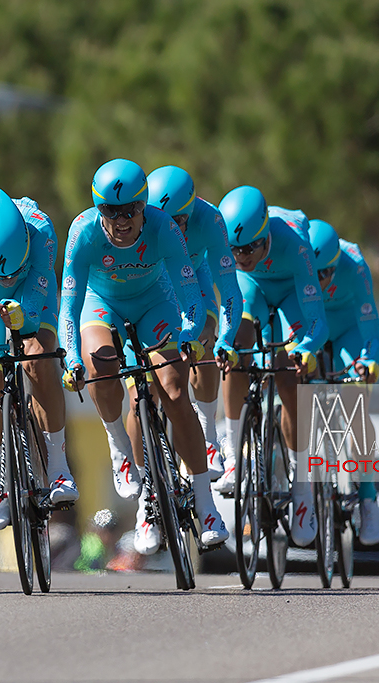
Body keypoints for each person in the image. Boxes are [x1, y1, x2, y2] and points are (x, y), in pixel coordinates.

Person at [58, 158, 228, 555]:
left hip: (155, 304)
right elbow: (69, 305)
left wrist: (188, 334)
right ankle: (122, 452)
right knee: (101, 365)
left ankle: (205, 505)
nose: (121, 221)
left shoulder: (164, 228)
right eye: (110, 212)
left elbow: (190, 294)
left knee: (172, 388)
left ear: (143, 205)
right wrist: (71, 360)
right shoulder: (82, 233)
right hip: (103, 306)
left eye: (130, 210)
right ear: (98, 209)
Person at [0, 188, 78, 532]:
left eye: (12, 270)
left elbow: (39, 283)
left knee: (37, 360)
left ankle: (58, 466)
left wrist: (27, 317)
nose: (6, 278)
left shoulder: (41, 229)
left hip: (31, 296)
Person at [215, 186, 329, 548]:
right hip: (252, 291)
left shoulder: (294, 242)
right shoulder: (234, 257)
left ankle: (302, 484)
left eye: (248, 248)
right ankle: (233, 453)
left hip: (292, 291)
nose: (240, 256)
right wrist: (223, 344)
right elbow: (229, 306)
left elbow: (317, 320)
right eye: (233, 250)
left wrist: (307, 348)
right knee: (237, 347)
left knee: (289, 372)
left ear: (265, 236)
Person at [147, 165, 242, 481]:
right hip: (154, 283)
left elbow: (229, 289)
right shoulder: (142, 216)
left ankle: (208, 436)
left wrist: (226, 339)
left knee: (205, 339)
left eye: (179, 221)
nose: (172, 229)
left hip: (195, 275)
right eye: (164, 222)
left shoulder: (210, 219)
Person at [307, 219, 379, 545]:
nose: (322, 281)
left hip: (348, 329)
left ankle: (367, 496)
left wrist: (368, 362)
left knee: (355, 402)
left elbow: (371, 328)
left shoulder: (354, 265)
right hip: (309, 328)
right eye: (315, 274)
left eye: (328, 273)